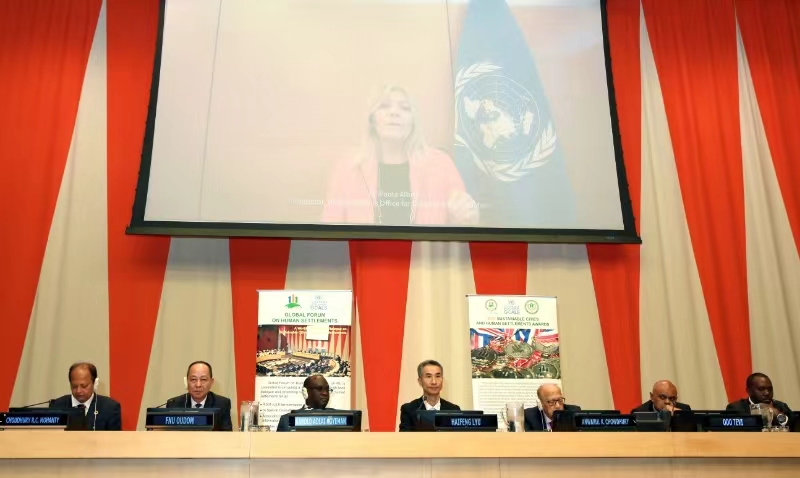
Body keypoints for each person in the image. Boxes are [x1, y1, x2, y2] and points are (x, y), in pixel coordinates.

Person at [321, 85, 478, 226]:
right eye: (384, 106)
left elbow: (465, 223)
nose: (394, 112)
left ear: (413, 121)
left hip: (422, 250)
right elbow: (330, 230)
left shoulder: (440, 164)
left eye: (405, 108)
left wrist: (465, 214)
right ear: (372, 119)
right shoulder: (347, 168)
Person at [49, 362, 122, 430]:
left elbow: (114, 438)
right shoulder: (57, 406)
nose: (78, 391)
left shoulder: (110, 408)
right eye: (74, 386)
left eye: (84, 386)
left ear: (95, 383)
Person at [165, 361, 233, 431]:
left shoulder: (222, 404)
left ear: (211, 382)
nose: (198, 385)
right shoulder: (173, 404)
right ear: (186, 382)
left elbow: (226, 434)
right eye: (193, 379)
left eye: (203, 379)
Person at [399, 360, 461, 431]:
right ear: (420, 381)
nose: (434, 382)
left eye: (438, 376)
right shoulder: (409, 410)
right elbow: (404, 437)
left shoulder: (454, 410)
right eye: (428, 376)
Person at [726, 373, 792, 422]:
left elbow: (794, 426)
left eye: (770, 389)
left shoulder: (781, 406)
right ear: (749, 391)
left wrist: (778, 415)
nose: (767, 393)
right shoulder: (736, 408)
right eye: (761, 389)